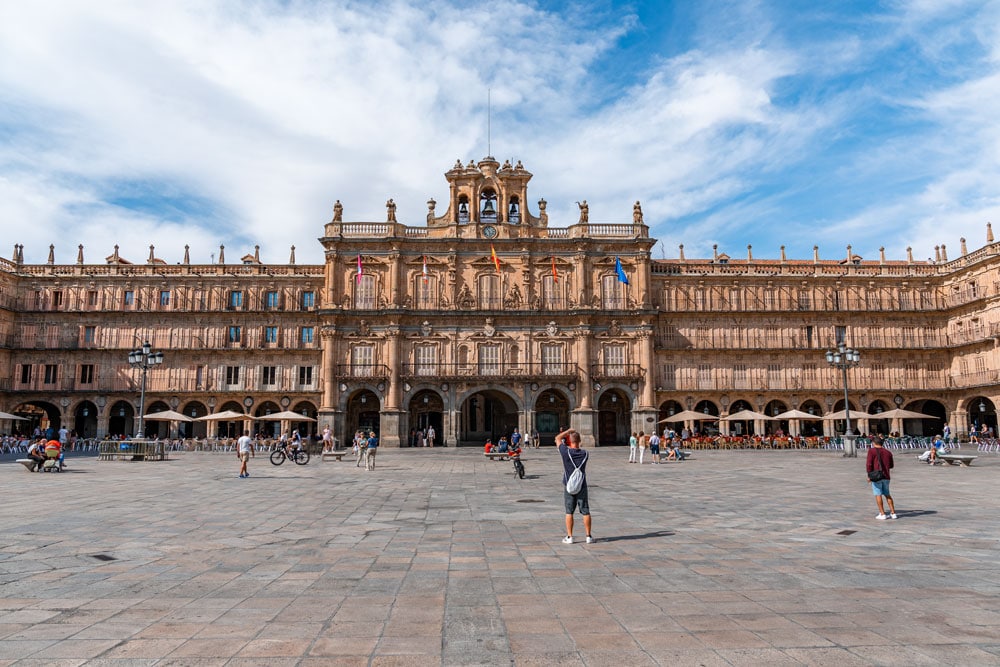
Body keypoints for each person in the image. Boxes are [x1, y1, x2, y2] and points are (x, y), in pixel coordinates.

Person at [556, 427, 593, 544]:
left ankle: (570, 536)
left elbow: (557, 438)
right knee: (585, 511)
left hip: (569, 486)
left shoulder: (566, 452)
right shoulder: (585, 454)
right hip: (582, 485)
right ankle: (588, 536)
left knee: (569, 512)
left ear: (569, 441)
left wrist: (568, 431)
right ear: (579, 441)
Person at [866, 436, 897, 520]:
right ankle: (893, 513)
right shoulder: (888, 452)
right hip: (886, 476)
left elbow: (869, 464)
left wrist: (869, 475)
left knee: (878, 494)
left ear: (874, 443)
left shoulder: (871, 451)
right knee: (887, 494)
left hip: (876, 476)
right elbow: (891, 465)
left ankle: (882, 513)